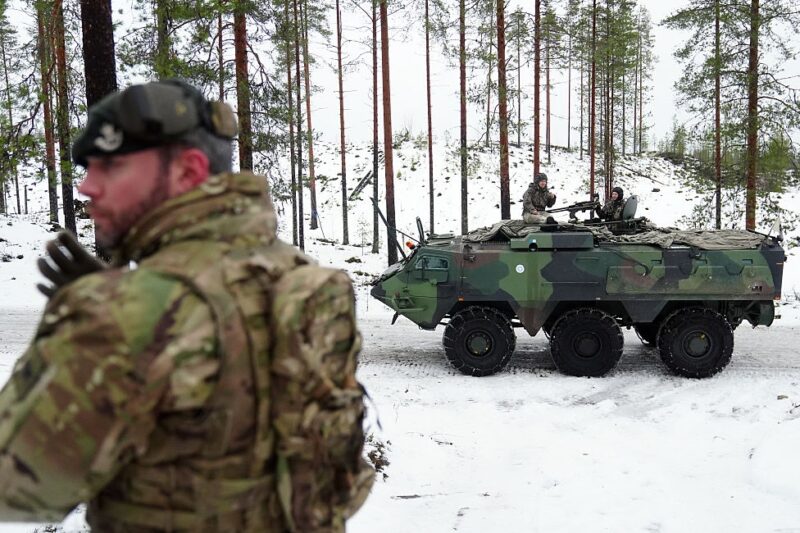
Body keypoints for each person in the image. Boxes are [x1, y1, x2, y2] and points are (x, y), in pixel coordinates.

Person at [0, 80, 373, 531]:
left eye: (110, 166)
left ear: (188, 171)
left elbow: (20, 491)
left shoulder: (123, 312)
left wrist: (90, 322)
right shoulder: (304, 277)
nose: (86, 186)